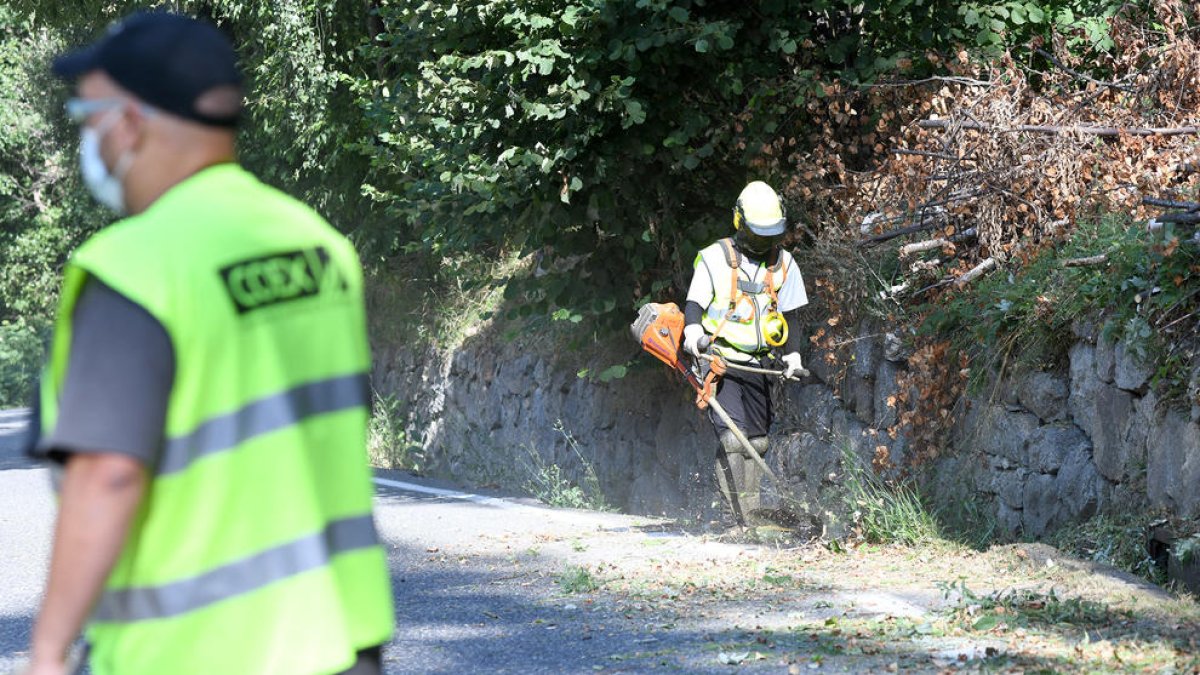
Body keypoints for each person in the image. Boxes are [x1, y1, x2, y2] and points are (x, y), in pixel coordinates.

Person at [24, 11, 394, 675]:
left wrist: (48, 652)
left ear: (129, 122)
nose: (90, 142)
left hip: (190, 653)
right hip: (340, 639)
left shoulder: (134, 270)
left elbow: (107, 474)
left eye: (88, 119)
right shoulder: (317, 245)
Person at [682, 181, 809, 528]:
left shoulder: (784, 264)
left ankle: (749, 515)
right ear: (739, 223)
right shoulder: (714, 259)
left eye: (771, 236)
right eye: (757, 235)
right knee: (733, 439)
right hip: (720, 362)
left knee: (759, 441)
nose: (764, 244)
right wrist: (693, 334)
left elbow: (793, 313)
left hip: (760, 364)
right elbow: (694, 304)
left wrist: (793, 357)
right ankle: (734, 517)